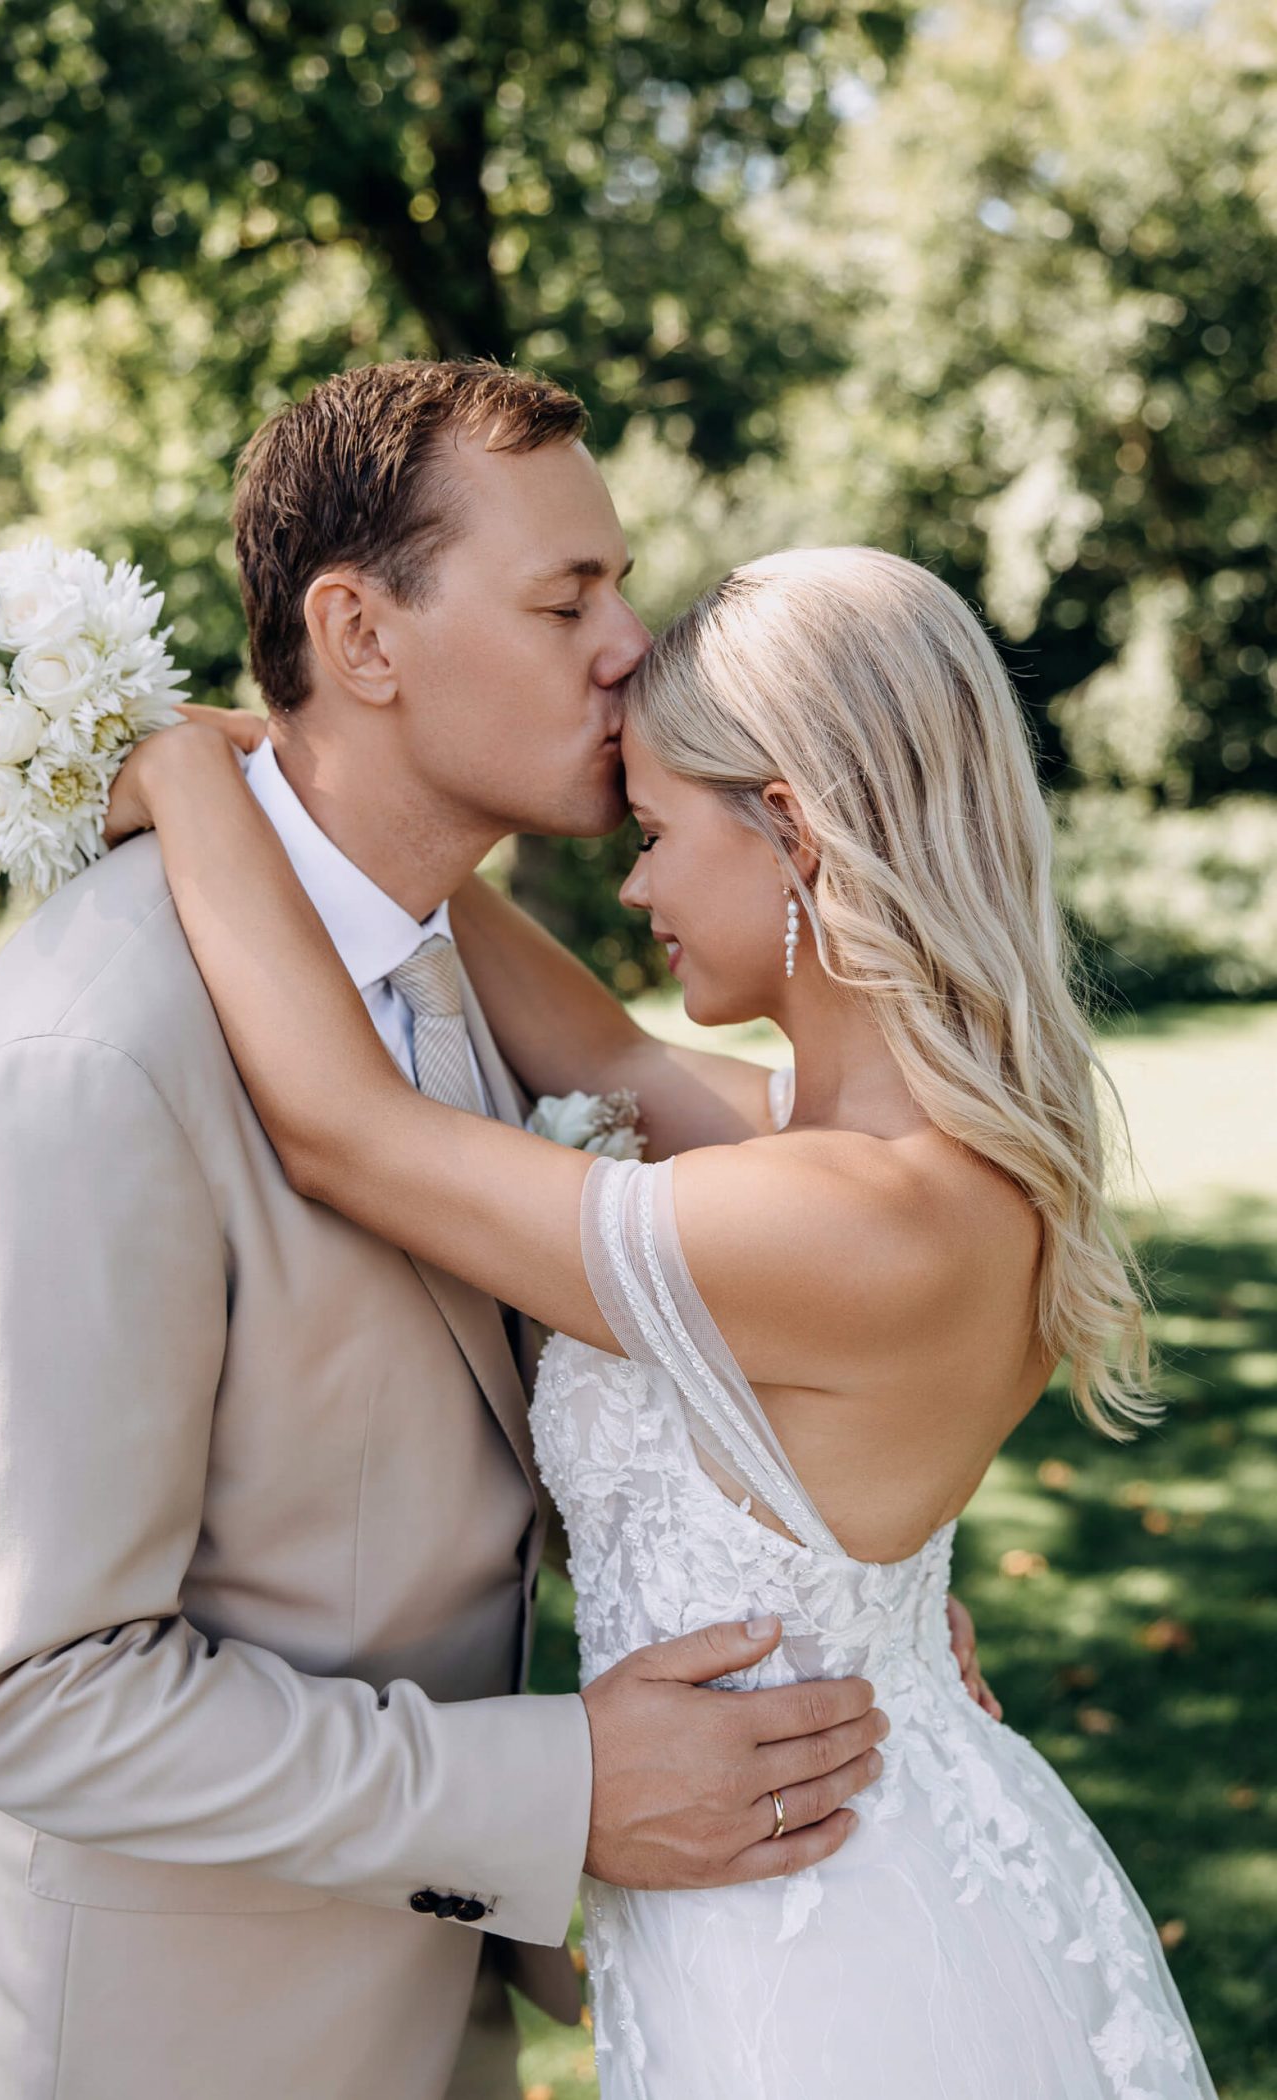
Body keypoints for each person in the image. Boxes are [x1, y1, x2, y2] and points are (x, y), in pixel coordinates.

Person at [0, 364, 992, 2100]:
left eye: (619, 588)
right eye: (567, 600)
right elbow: (40, 1699)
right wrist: (562, 1793)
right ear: (360, 636)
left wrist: (843, 1581)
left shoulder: (447, 984)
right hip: (147, 2043)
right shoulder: (92, 1057)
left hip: (421, 2009)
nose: (629, 647)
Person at [102, 539, 1218, 2099]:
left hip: (832, 1965)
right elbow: (607, 1057)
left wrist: (188, 782)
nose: (632, 887)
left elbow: (349, 1134)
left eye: (654, 834)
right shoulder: (864, 1152)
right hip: (792, 1879)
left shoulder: (859, 1223)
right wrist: (321, 796)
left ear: (796, 833)